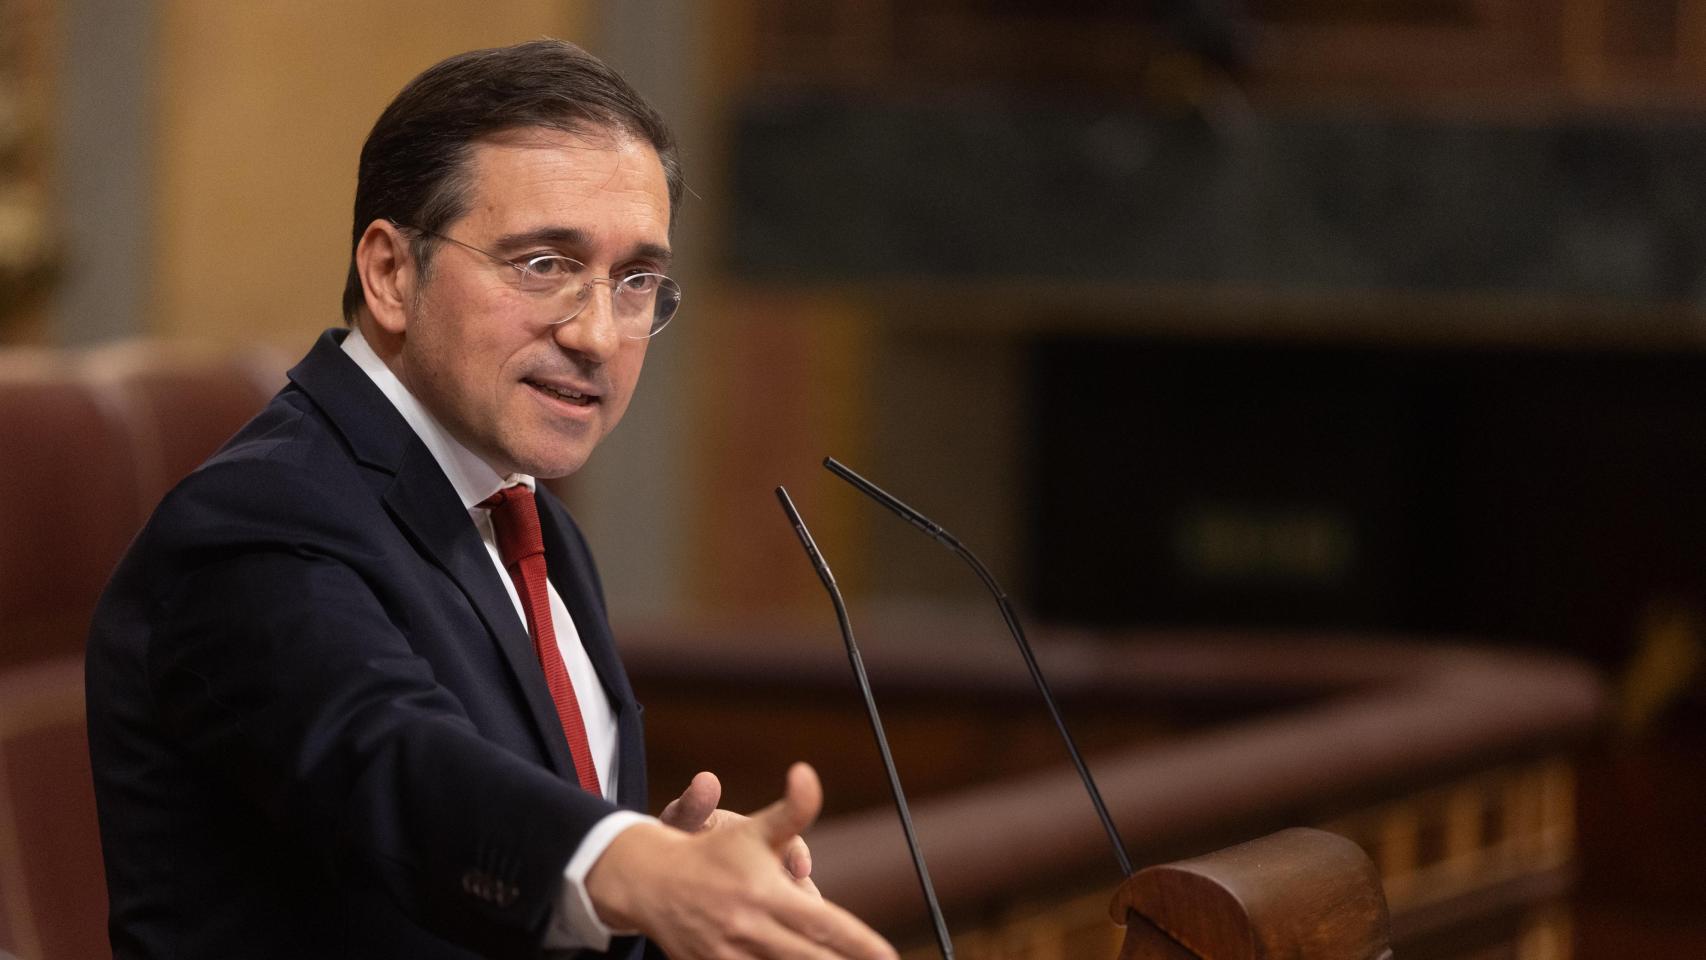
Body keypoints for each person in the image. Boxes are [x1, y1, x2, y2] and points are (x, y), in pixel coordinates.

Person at [85, 39, 898, 960]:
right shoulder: (258, 520)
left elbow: (506, 891)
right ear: (392, 273)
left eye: (636, 281)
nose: (598, 333)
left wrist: (651, 895)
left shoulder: (534, 523)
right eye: (544, 264)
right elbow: (392, 763)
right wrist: (628, 864)